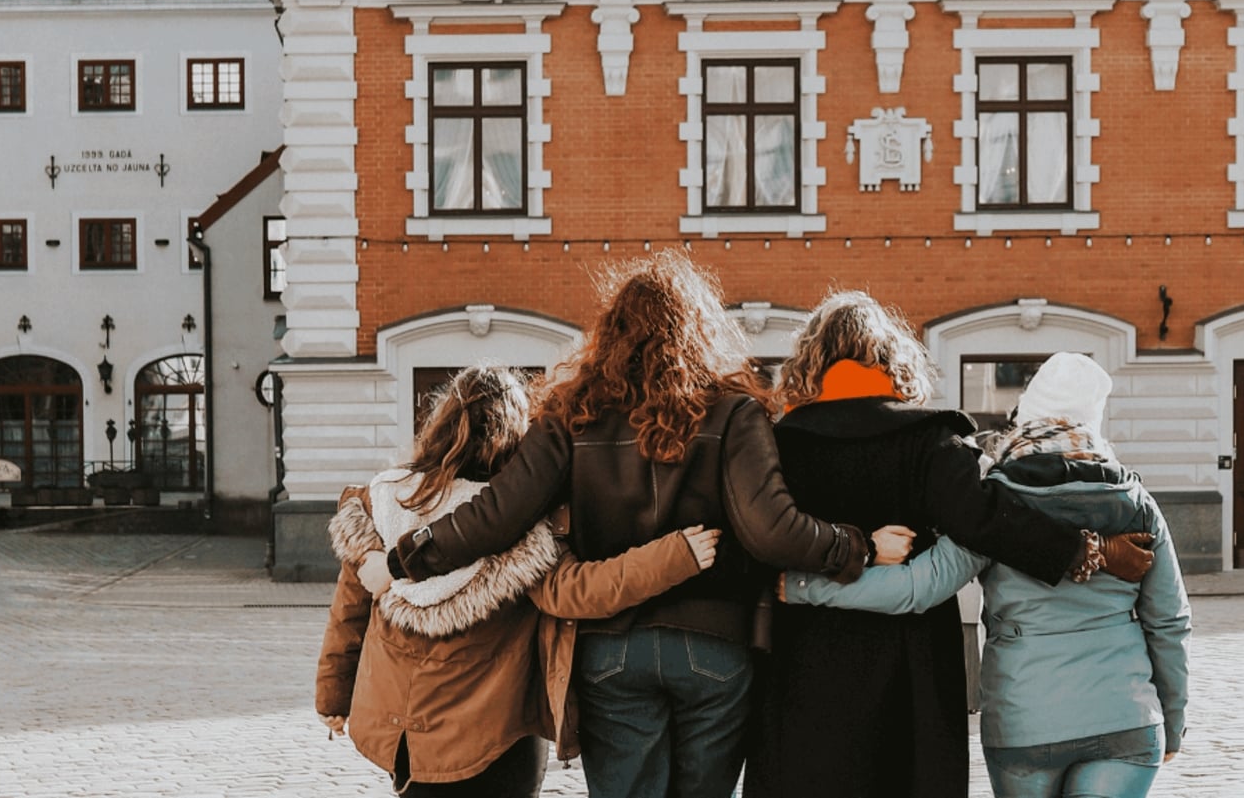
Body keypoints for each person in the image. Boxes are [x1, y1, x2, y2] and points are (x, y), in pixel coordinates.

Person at [360, 252, 886, 798]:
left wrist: (405, 559)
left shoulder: (570, 415)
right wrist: (854, 546)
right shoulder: (734, 412)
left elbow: (497, 515)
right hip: (715, 645)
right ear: (700, 328)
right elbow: (771, 528)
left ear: (610, 334)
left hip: (610, 648)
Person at [744, 293, 1154, 798]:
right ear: (892, 359)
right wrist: (1088, 550)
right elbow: (987, 521)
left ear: (810, 360)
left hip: (801, 663)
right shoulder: (930, 441)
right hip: (909, 671)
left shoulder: (777, 446)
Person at [316, 365, 720, 797]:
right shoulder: (519, 524)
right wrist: (674, 556)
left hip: (407, 737)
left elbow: (349, 613)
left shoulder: (386, 500)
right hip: (498, 736)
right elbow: (577, 592)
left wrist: (333, 697)